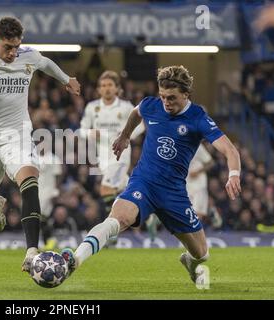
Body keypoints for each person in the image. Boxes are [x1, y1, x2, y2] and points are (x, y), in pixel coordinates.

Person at [61, 65, 241, 285]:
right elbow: (136, 113)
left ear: (186, 94)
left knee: (202, 254)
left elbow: (229, 150)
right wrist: (125, 135)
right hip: (143, 183)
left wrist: (233, 174)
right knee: (117, 219)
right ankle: (73, 261)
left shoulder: (198, 117)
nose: (167, 102)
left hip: (174, 193)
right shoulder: (151, 105)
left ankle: (190, 263)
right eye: (163, 96)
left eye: (172, 98)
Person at [0, 16, 81, 272]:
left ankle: (32, 252)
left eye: (16, 46)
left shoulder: (28, 55)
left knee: (30, 180)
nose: (12, 52)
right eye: (7, 47)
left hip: (16, 136)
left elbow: (46, 64)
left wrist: (66, 79)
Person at [80, 70, 144, 219]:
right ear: (99, 89)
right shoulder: (92, 107)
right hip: (102, 157)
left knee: (106, 189)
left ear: (117, 88)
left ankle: (112, 227)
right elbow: (82, 129)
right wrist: (90, 133)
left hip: (119, 154)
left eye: (110, 85)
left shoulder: (126, 106)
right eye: (103, 85)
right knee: (125, 188)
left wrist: (126, 136)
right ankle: (152, 210)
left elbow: (140, 126)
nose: (106, 88)